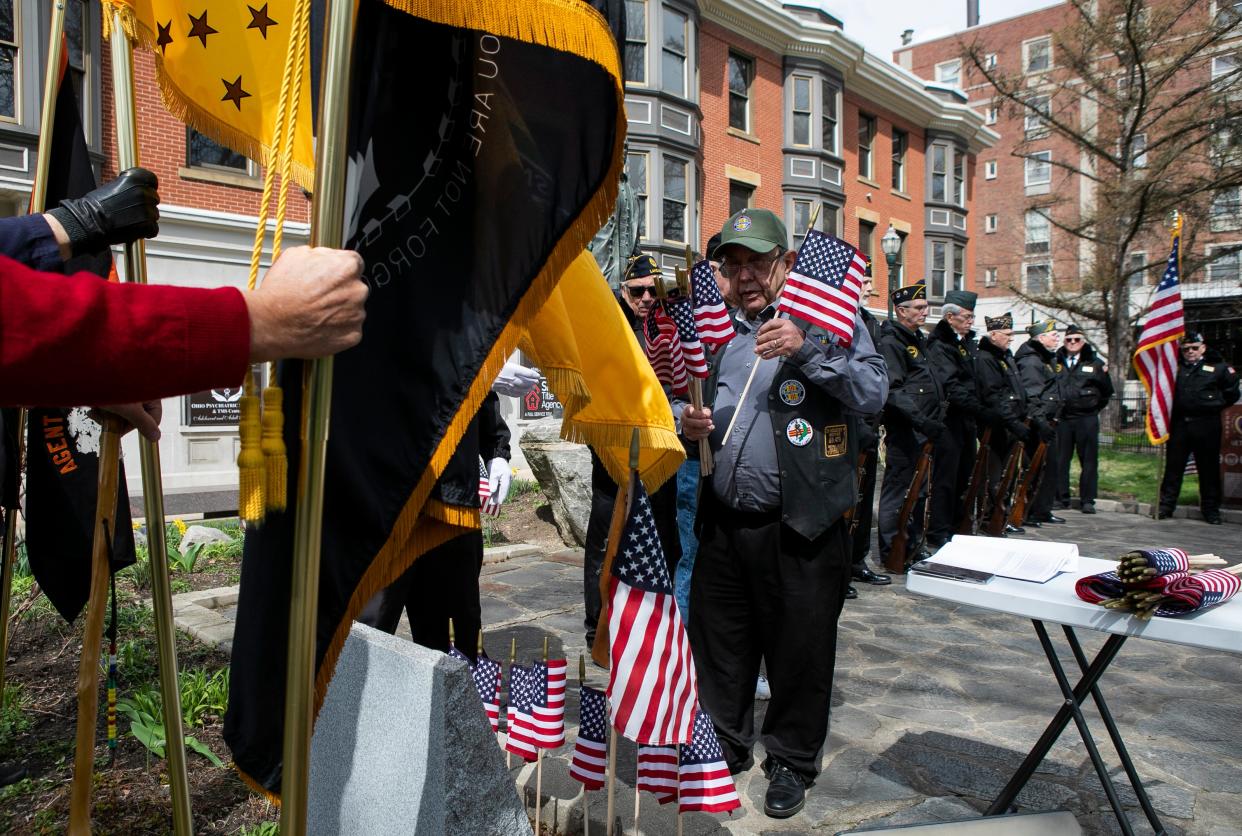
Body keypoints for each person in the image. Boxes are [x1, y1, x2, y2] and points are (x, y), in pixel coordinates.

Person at [680, 209, 887, 819]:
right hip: (725, 519)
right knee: (722, 643)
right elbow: (692, 401)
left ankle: (792, 759)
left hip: (801, 522)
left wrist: (808, 349)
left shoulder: (827, 321)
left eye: (757, 262)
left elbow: (874, 393)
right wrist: (683, 419)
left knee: (800, 648)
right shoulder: (720, 335)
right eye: (733, 264)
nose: (745, 276)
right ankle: (726, 741)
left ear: (786, 264)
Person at [357, 392, 510, 658]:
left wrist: (495, 446)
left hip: (448, 497)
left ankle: (462, 698)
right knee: (364, 640)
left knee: (457, 639)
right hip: (382, 499)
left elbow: (466, 366)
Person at [581, 254, 680, 650]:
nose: (646, 298)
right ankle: (597, 626)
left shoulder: (668, 327)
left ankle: (651, 623)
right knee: (605, 544)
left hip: (658, 454)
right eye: (637, 290)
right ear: (624, 291)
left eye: (653, 290)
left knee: (663, 541)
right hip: (614, 457)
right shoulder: (612, 327)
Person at [876, 280, 944, 568]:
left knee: (921, 490)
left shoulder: (919, 341)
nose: (923, 311)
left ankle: (914, 544)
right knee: (899, 489)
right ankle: (892, 547)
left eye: (925, 306)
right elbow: (894, 390)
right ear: (900, 311)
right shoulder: (893, 342)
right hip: (906, 431)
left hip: (924, 430)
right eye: (917, 307)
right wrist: (921, 421)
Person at [1158, 331, 1240, 524]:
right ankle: (1166, 506)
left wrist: (1214, 405)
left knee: (1208, 469)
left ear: (1203, 348)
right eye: (1186, 349)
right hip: (1180, 424)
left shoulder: (1218, 368)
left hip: (1206, 424)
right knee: (1173, 468)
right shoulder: (1175, 369)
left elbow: (1232, 392)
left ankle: (1211, 510)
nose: (1190, 352)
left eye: (1195, 348)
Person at [848, 266, 889, 595]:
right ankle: (845, 562)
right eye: (862, 281)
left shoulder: (869, 321)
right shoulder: (833, 316)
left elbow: (877, 377)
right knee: (848, 502)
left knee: (862, 500)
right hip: (848, 429)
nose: (868, 287)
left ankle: (858, 558)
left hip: (869, 427)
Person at [973, 312, 1030, 535]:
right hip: (997, 427)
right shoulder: (987, 358)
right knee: (994, 479)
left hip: (1010, 426)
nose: (1010, 338)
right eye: (1007, 334)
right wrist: (1013, 422)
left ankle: (1000, 518)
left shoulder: (1005, 356)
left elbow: (1016, 391)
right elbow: (994, 395)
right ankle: (989, 521)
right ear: (993, 334)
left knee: (1008, 476)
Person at [1054, 325, 1114, 514]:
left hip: (1086, 419)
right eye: (1069, 339)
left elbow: (1106, 392)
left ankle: (1088, 500)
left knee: (1088, 461)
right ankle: (1060, 497)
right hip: (1063, 418)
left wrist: (1093, 408)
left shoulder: (1095, 363)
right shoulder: (1056, 361)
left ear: (1083, 341)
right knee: (1060, 459)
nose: (1072, 343)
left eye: (1077, 339)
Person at [1013, 320, 1064, 526]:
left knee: (1050, 468)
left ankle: (1042, 509)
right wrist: (1041, 422)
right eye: (1053, 335)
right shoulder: (1031, 362)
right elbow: (1032, 395)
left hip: (1049, 421)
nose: (1057, 338)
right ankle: (1030, 511)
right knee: (1035, 469)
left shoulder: (1045, 359)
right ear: (1041, 338)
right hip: (1038, 425)